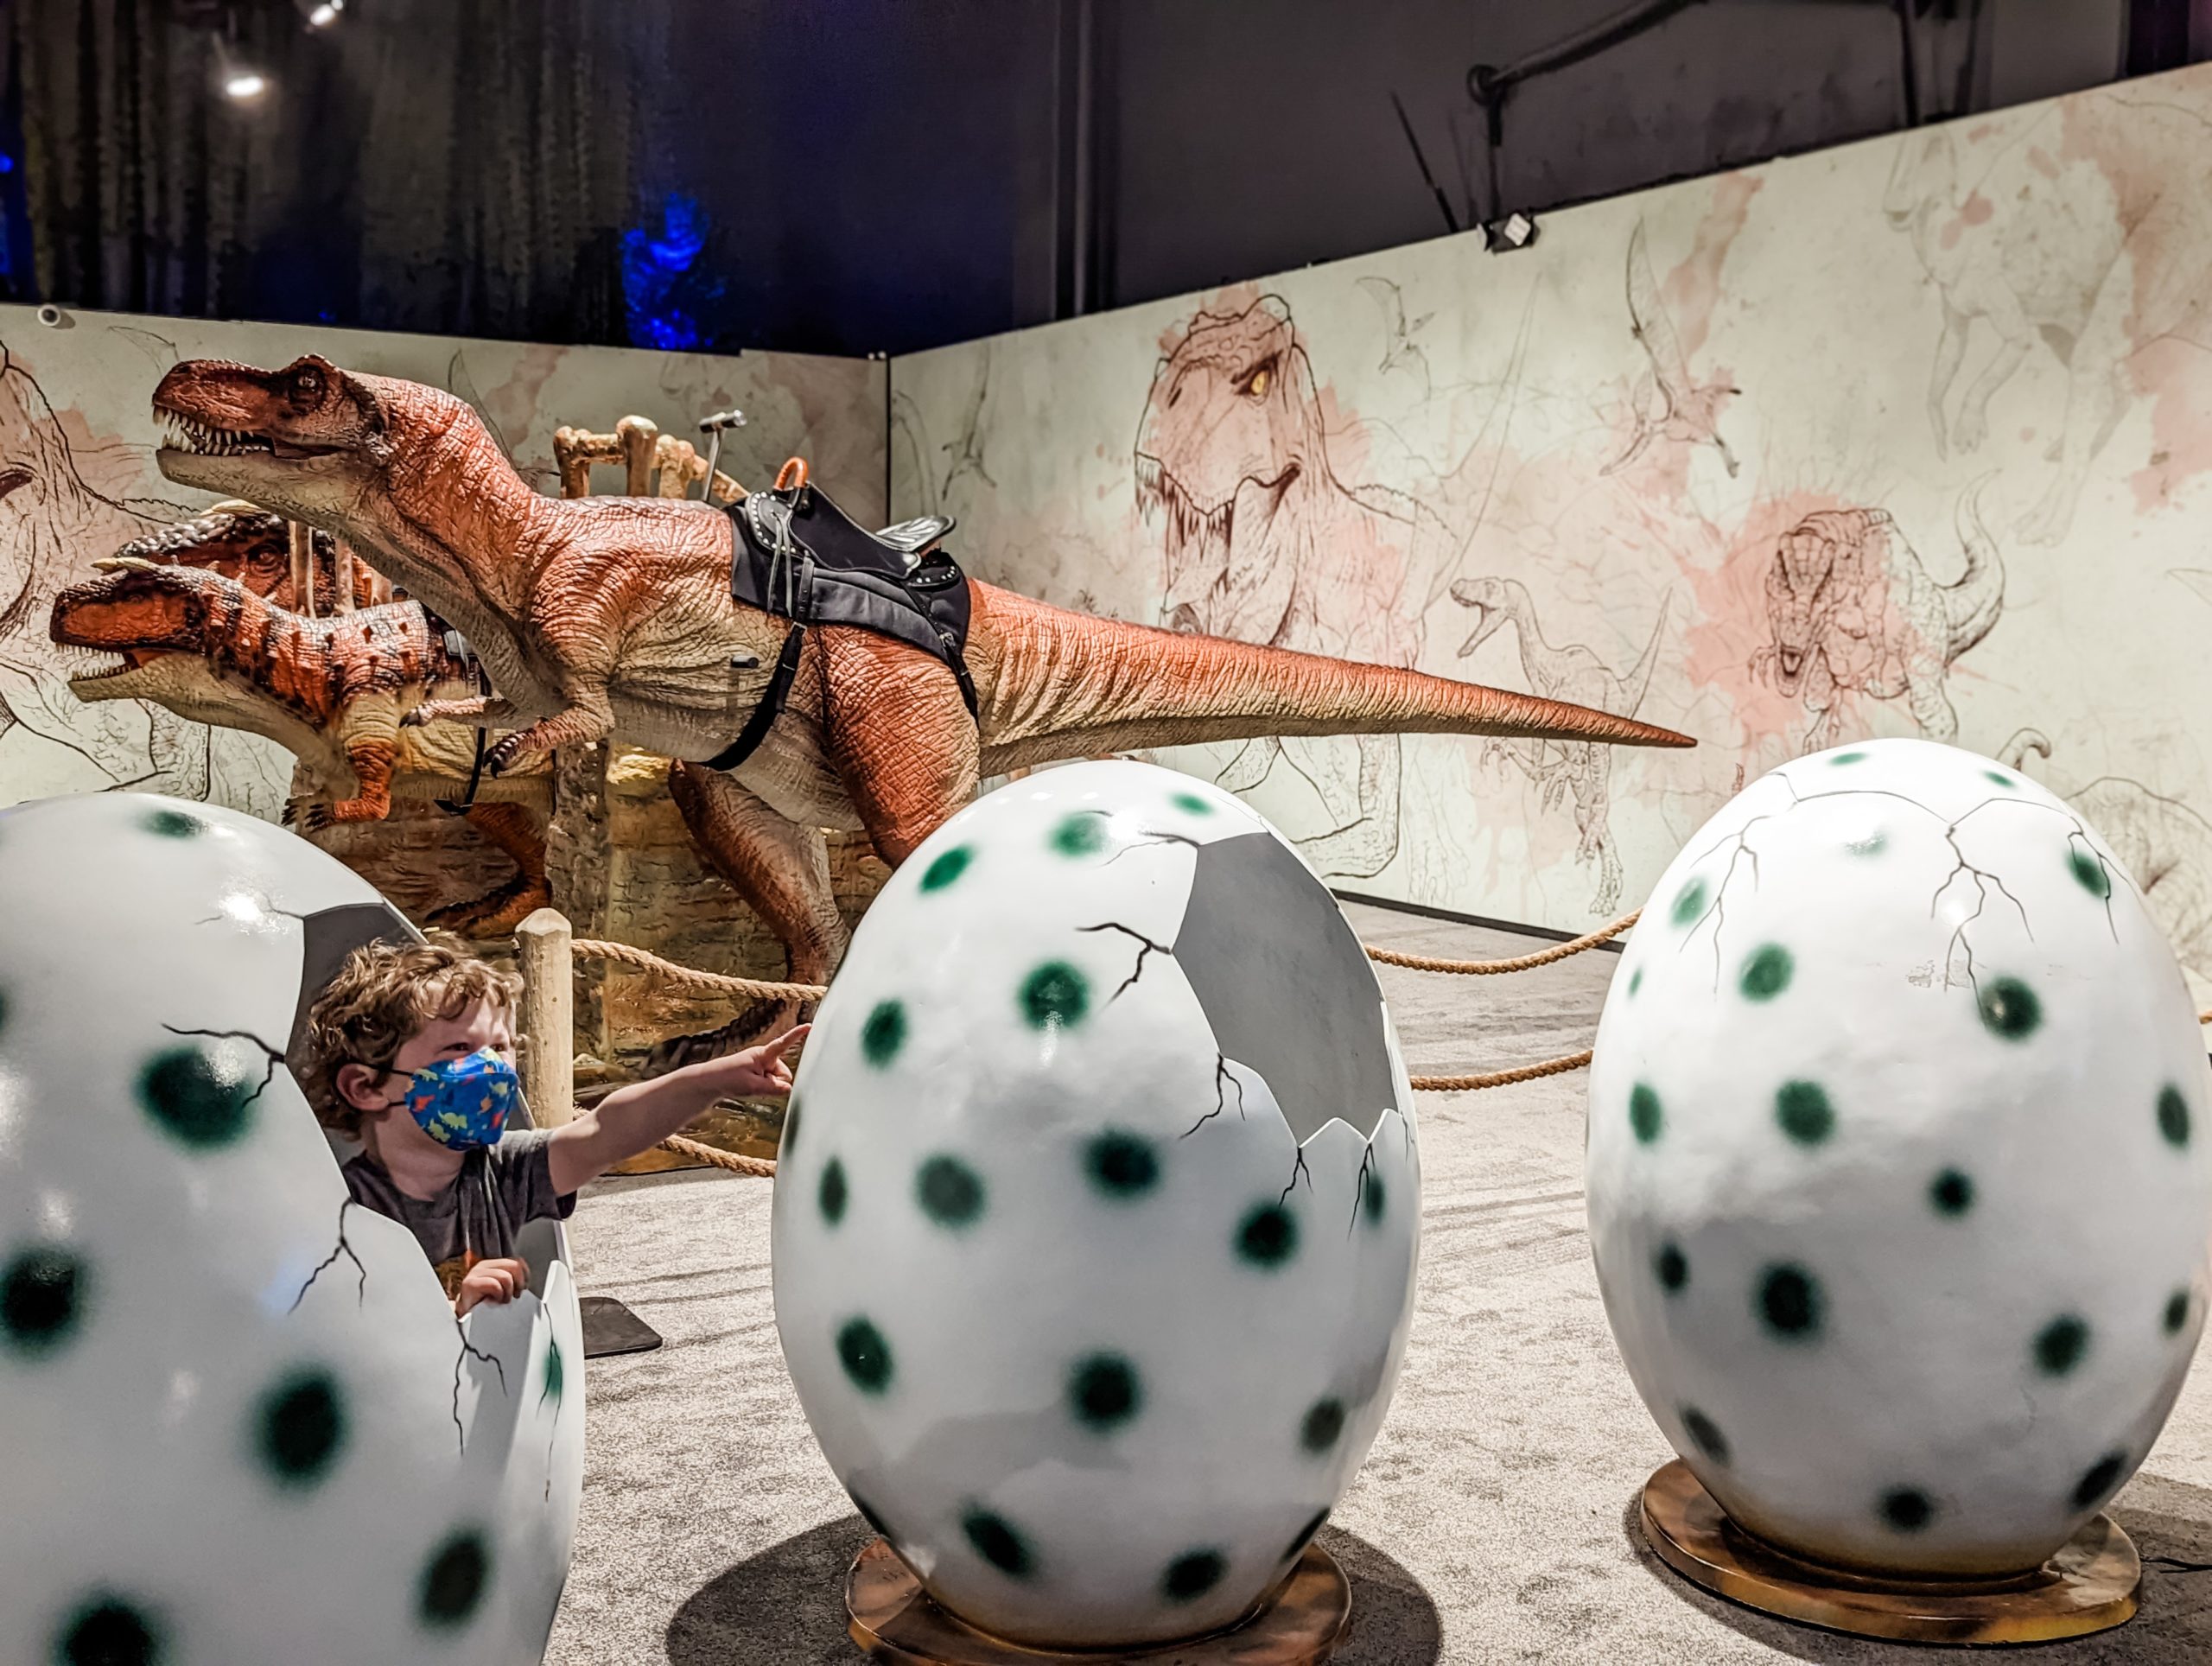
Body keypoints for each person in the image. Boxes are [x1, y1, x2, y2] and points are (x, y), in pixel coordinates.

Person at [300, 936, 804, 1313]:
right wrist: (455, 1316)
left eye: (499, 1048)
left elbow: (609, 1131)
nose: (493, 1069)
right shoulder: (338, 1213)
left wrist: (714, 1078)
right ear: (366, 1087)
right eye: (458, 1050)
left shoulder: (504, 1167)